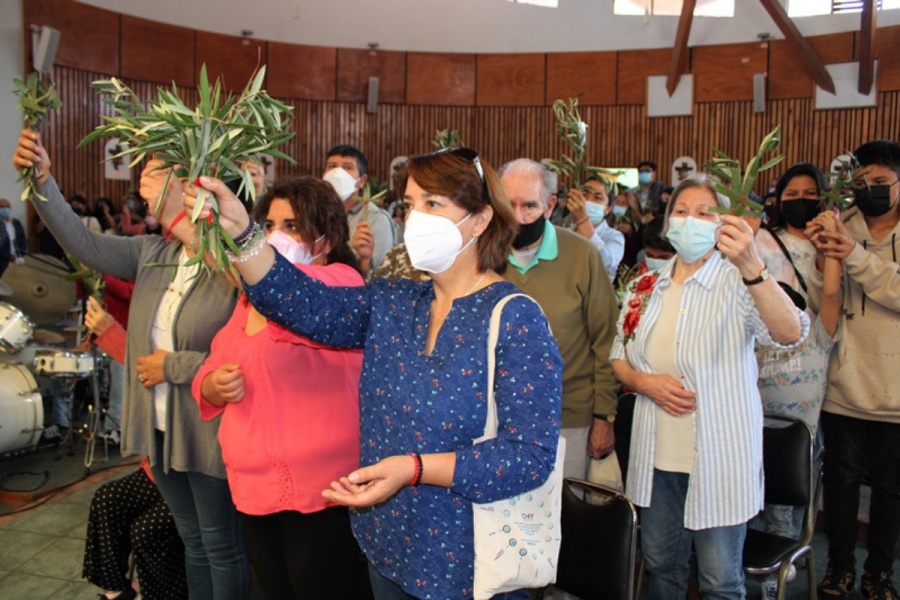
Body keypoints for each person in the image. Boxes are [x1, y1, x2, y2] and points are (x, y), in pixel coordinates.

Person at [183, 147, 563, 600]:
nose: (415, 218)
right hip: (389, 546)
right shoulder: (397, 303)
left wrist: (415, 468)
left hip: (469, 561)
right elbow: (301, 302)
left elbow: (530, 456)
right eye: (410, 204)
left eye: (433, 204)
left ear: (480, 220)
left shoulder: (515, 318)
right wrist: (242, 233)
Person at [13, 130, 248, 600]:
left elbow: (242, 357)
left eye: (161, 166)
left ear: (194, 183)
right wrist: (43, 183)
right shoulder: (153, 253)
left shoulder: (232, 264)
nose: (146, 172)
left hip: (207, 427)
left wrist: (174, 367)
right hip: (158, 425)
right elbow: (82, 242)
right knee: (193, 545)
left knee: (222, 548)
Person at [610, 175, 808, 599]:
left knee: (720, 579)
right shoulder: (645, 286)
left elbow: (790, 333)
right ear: (666, 221)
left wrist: (753, 265)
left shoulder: (739, 282)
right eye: (681, 212)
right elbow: (618, 358)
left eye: (705, 213)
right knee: (662, 566)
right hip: (656, 458)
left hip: (719, 458)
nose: (690, 221)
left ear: (723, 225)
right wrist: (645, 382)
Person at [192, 177, 365, 600]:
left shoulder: (341, 286)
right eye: (268, 225)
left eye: (292, 226)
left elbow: (296, 303)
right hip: (254, 491)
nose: (275, 236)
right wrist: (212, 386)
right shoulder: (249, 299)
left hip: (323, 492)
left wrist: (243, 246)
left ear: (326, 239)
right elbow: (211, 366)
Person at [807, 139, 900, 600]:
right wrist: (823, 258)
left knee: (890, 493)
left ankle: (878, 572)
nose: (870, 191)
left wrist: (854, 256)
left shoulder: (858, 241)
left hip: (896, 396)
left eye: (880, 182)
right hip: (845, 387)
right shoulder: (845, 228)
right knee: (840, 489)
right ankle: (839, 567)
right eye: (862, 183)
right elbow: (820, 304)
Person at [498, 158, 619, 484]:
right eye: (509, 205)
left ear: (550, 205)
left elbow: (606, 341)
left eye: (530, 206)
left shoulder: (582, 256)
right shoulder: (484, 256)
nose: (519, 217)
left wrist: (603, 417)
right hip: (495, 419)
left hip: (569, 419)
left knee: (564, 521)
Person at [82, 298, 187, 600]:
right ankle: (116, 593)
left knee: (149, 531)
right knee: (107, 499)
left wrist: (111, 333)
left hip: (197, 470)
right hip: (160, 465)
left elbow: (164, 371)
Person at [322, 144, 395, 277]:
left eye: (347, 167)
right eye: (332, 166)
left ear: (361, 181)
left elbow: (381, 275)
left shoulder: (376, 220)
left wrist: (363, 259)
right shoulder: (316, 214)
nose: (338, 174)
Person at [559, 176, 625, 280]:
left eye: (598, 198)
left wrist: (583, 221)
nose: (588, 201)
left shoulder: (613, 237)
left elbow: (605, 265)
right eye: (584, 195)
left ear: (608, 208)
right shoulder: (564, 234)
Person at [0, 197, 27, 277]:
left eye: (7, 206)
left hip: (17, 261)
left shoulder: (16, 223)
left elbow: (23, 240)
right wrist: (8, 256)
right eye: (2, 207)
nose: (5, 209)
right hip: (2, 263)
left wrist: (20, 255)